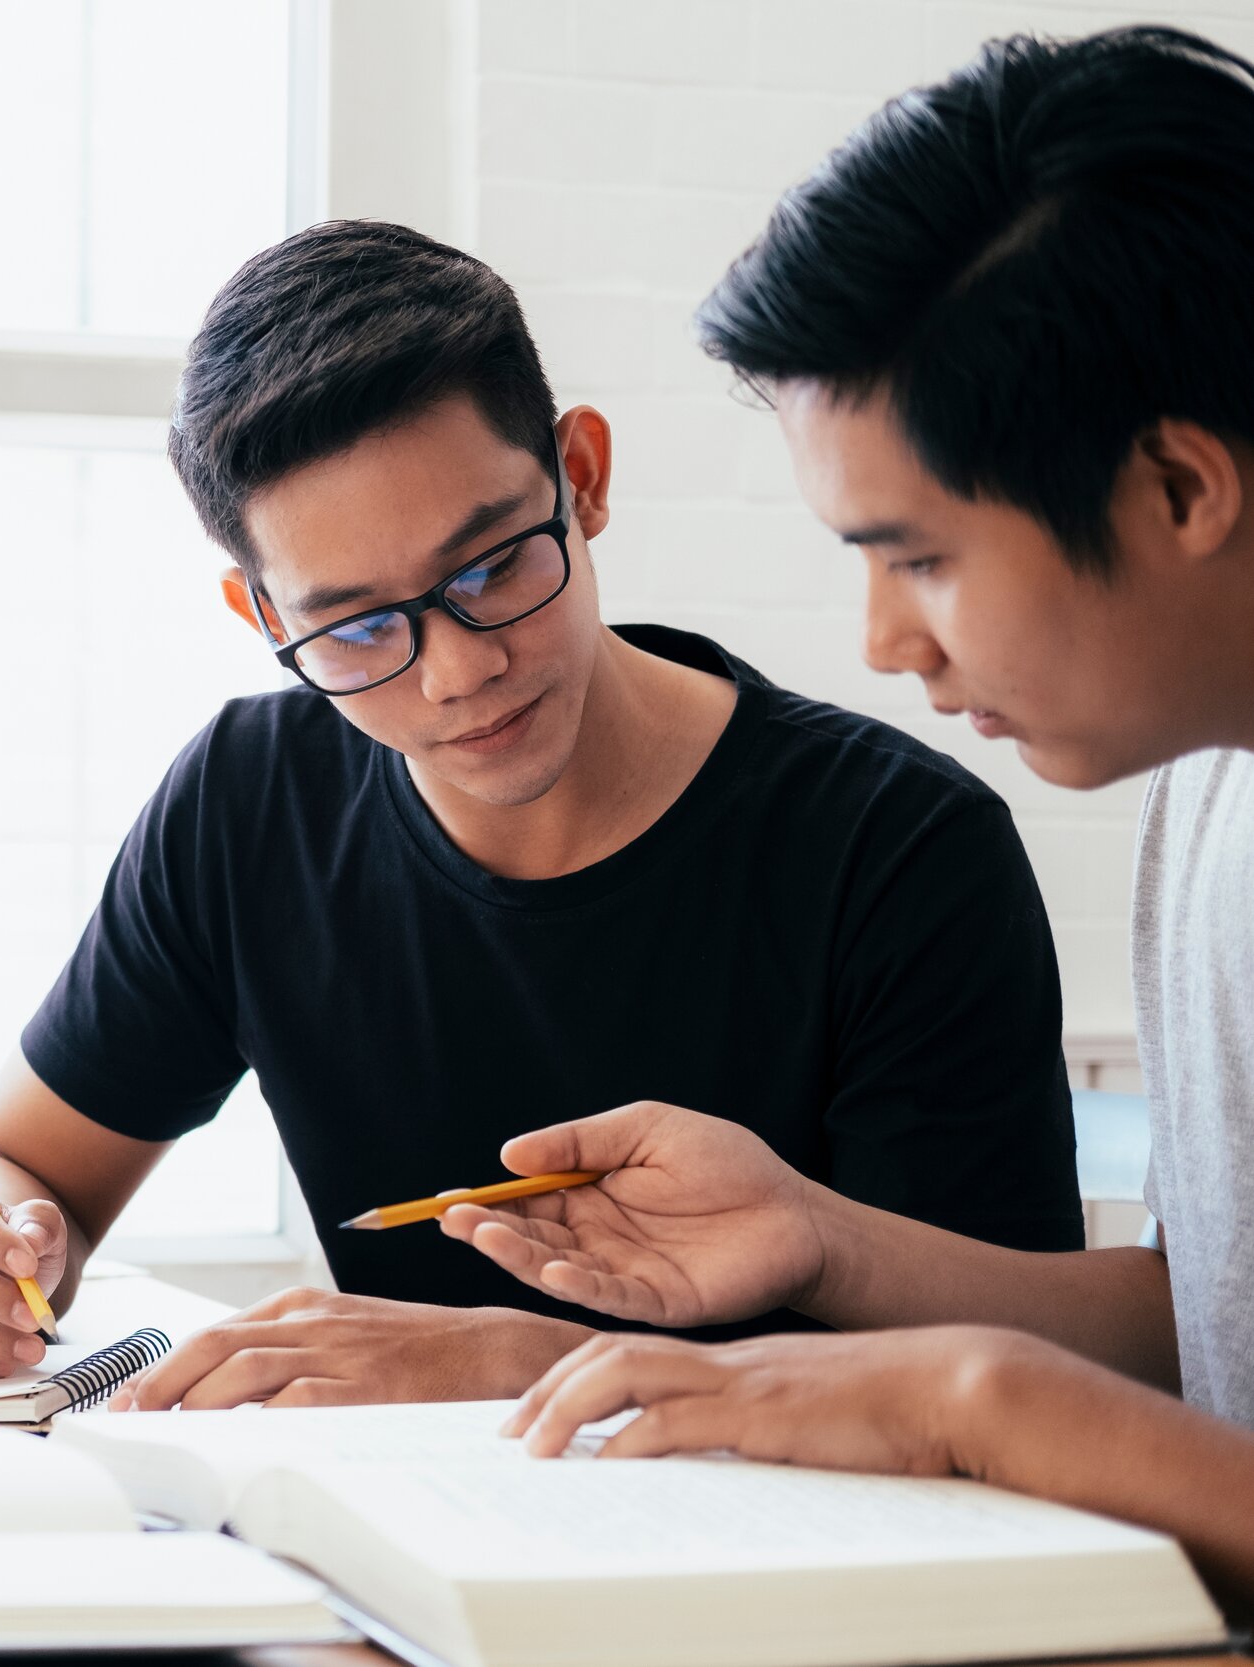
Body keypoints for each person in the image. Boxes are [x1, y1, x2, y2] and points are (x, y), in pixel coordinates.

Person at [0, 220, 1087, 1409]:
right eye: (351, 630)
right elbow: (36, 1171)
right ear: (263, 618)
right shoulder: (246, 804)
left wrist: (521, 1364)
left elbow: (1016, 1383)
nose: (454, 672)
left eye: (492, 568)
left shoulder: (899, 848)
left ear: (583, 479)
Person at [436, 26, 1254, 1613]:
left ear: (1177, 486)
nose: (887, 641)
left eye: (923, 555)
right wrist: (822, 1244)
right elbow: (1215, 1327)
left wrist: (972, 1403)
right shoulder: (1209, 777)